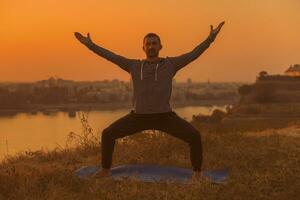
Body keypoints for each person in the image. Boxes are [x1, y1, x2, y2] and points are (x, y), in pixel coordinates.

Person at [74, 21, 225, 181]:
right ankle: (105, 171)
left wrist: (210, 39)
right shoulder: (133, 66)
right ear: (143, 48)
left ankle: (197, 174)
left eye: (154, 43)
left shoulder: (171, 64)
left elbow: (193, 54)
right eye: (148, 44)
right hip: (138, 117)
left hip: (164, 116)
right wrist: (90, 45)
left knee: (194, 136)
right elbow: (111, 56)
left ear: (160, 46)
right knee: (108, 134)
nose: (151, 46)